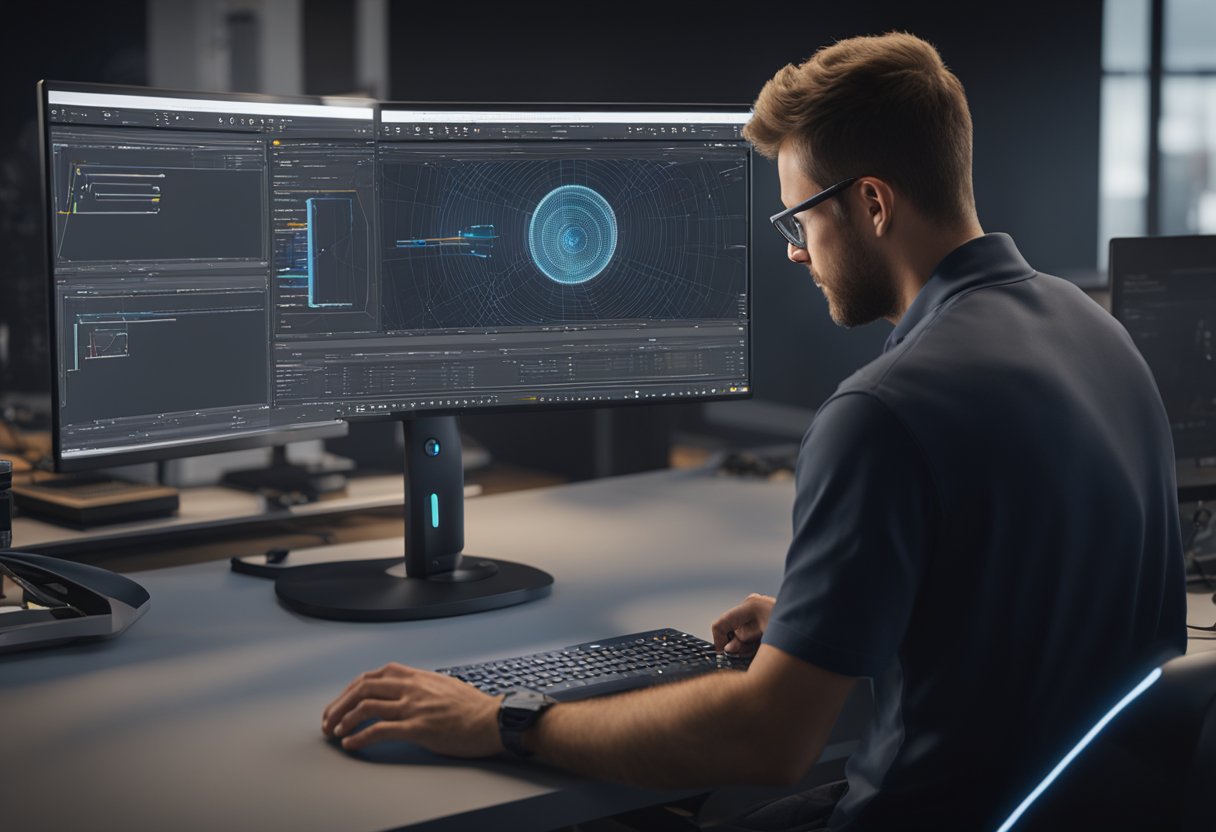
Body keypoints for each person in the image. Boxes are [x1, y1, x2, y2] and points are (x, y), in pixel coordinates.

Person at [322, 32, 1186, 830]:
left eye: (798, 218)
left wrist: (499, 719)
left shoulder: (881, 410)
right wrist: (845, 619)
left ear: (874, 204)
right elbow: (1060, 595)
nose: (794, 251)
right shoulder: (1095, 330)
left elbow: (769, 740)